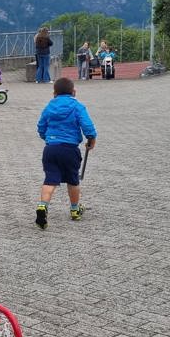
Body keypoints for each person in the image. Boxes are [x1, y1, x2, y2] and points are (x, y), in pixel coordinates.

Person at [35, 77, 97, 229]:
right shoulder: (77, 107)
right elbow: (88, 126)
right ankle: (75, 209)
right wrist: (91, 140)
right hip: (70, 149)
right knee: (73, 180)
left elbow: (41, 126)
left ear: (54, 93)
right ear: (74, 92)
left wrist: (47, 138)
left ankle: (43, 206)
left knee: (50, 179)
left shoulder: (49, 106)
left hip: (51, 149)